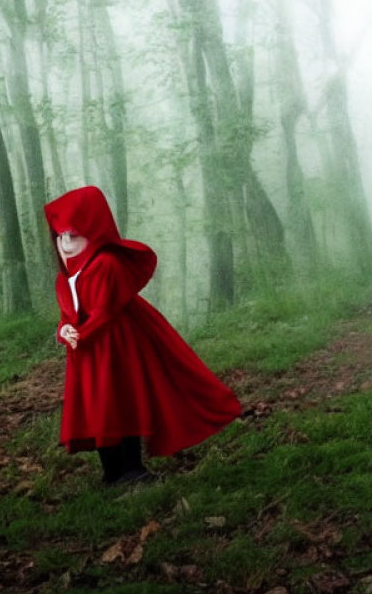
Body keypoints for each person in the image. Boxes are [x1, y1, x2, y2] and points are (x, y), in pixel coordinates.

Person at [44, 185, 241, 484]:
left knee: (121, 400)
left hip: (114, 345)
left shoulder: (107, 265)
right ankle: (112, 472)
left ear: (93, 231)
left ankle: (132, 468)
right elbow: (67, 314)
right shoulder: (67, 277)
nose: (66, 243)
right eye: (61, 236)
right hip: (87, 351)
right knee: (98, 406)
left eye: (73, 235)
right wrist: (65, 331)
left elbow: (105, 312)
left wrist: (80, 334)